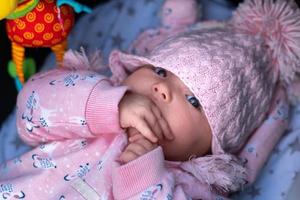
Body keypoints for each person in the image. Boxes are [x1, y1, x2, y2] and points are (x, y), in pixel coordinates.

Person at [0, 0, 299, 199]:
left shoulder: (192, 188)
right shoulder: (89, 95)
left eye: (193, 100)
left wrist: (144, 175)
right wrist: (107, 105)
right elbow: (30, 110)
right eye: (160, 71)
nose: (162, 89)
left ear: (211, 151)